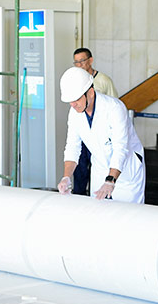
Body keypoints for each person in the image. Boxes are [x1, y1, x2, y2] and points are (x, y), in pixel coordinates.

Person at [57, 66, 145, 203]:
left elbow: (120, 148)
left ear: (90, 93)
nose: (73, 105)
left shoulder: (115, 108)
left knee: (129, 216)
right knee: (99, 215)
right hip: (100, 168)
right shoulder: (74, 113)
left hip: (126, 171)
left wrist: (110, 180)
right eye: (70, 101)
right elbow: (72, 147)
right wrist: (66, 177)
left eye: (76, 99)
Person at [71, 48, 118, 196]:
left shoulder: (104, 80)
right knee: (80, 169)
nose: (79, 65)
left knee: (99, 168)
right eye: (76, 62)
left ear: (90, 61)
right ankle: (78, 197)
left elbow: (115, 104)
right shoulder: (74, 82)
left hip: (101, 136)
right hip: (84, 133)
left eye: (82, 61)